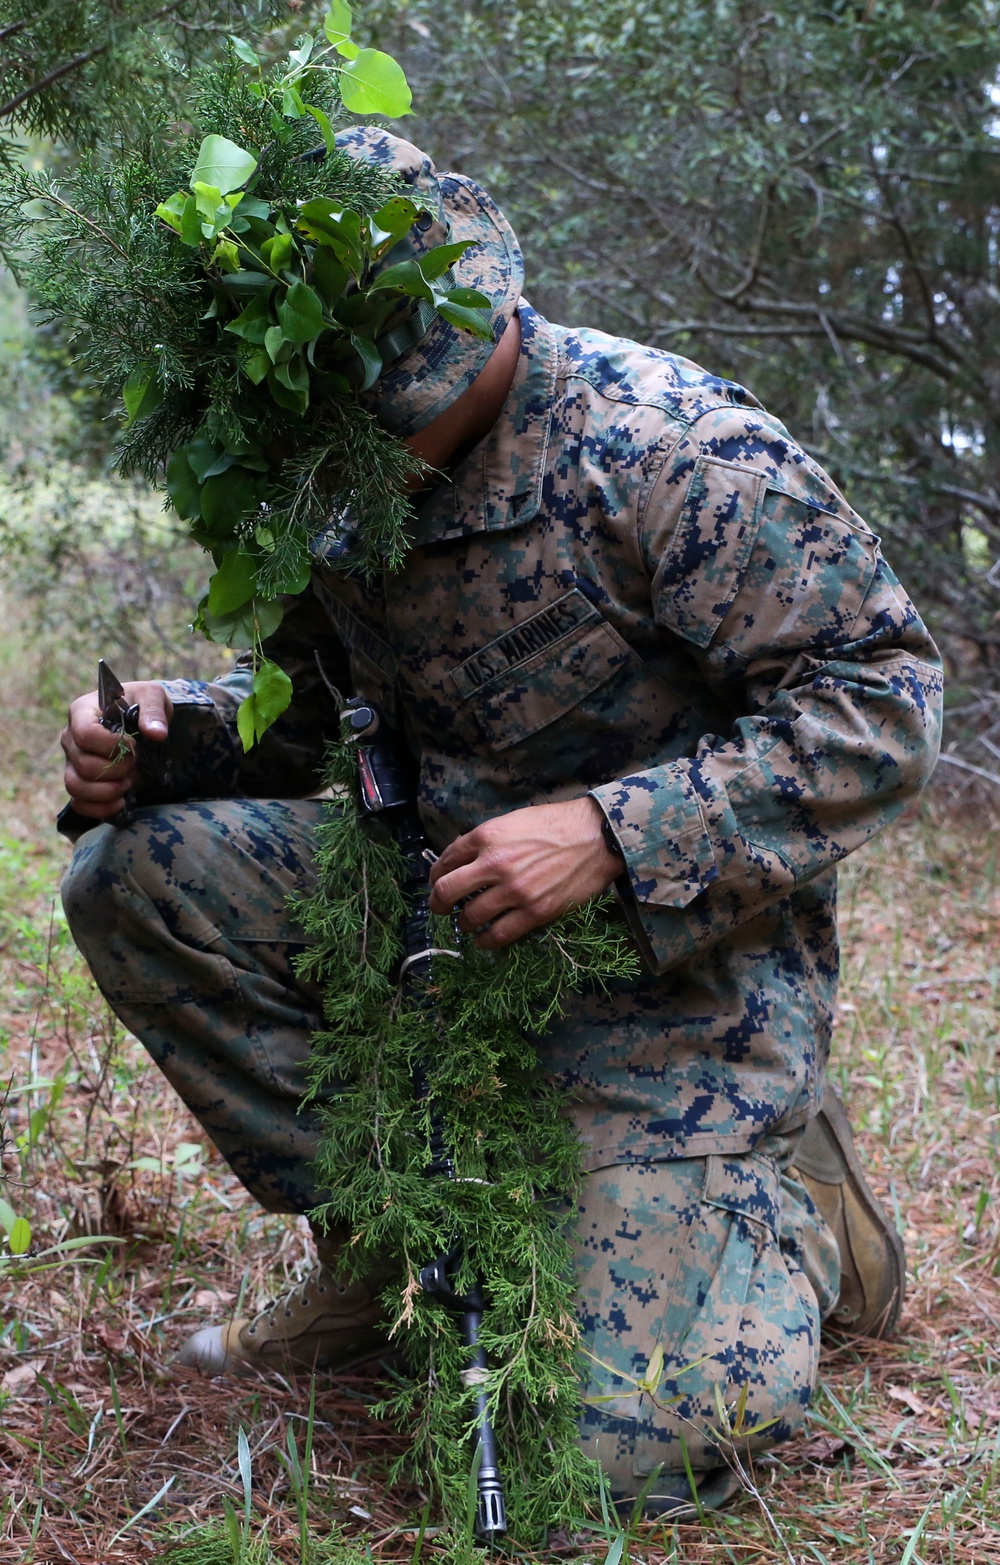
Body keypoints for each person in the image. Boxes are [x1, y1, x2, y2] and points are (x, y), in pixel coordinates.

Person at [58, 127, 942, 1517]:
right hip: (436, 928)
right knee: (137, 875)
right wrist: (163, 742)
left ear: (487, 319)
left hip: (672, 986)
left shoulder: (669, 452)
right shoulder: (345, 460)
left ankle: (797, 1206)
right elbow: (308, 712)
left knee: (606, 1452)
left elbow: (886, 701)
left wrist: (611, 831)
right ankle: (380, 1244)